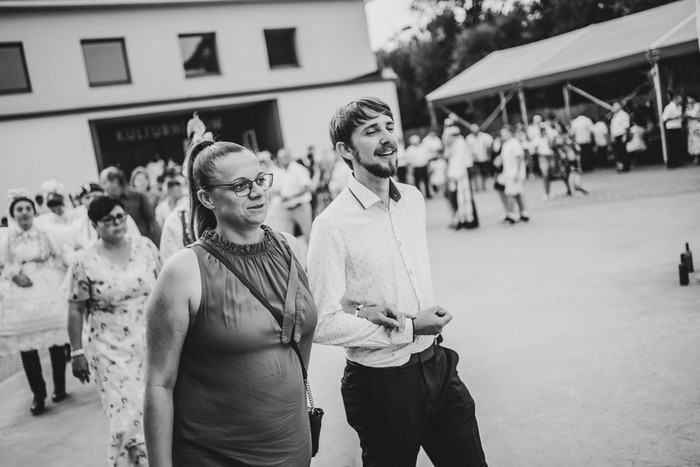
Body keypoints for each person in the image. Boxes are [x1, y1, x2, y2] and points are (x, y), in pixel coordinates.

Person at [308, 97, 487, 467]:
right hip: (382, 385)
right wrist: (410, 327)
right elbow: (322, 322)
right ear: (345, 150)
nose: (387, 137)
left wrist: (414, 328)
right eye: (371, 131)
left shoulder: (413, 200)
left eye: (389, 127)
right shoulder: (331, 225)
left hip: (438, 365)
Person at [144, 140, 317, 467]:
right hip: (216, 454)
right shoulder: (184, 271)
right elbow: (158, 384)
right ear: (206, 198)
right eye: (240, 186)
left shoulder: (291, 248)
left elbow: (298, 344)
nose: (257, 192)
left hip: (293, 446)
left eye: (260, 180)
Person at [65, 196, 161, 466]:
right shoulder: (83, 260)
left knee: (153, 406)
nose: (117, 223)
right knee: (126, 413)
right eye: (108, 220)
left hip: (151, 341)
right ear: (95, 225)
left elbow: (164, 289)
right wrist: (76, 352)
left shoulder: (145, 247)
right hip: (109, 348)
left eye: (120, 217)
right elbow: (75, 309)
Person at [0, 194, 71, 415]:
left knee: (56, 340)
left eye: (27, 208)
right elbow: (4, 264)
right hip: (22, 290)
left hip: (47, 285)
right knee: (27, 345)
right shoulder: (7, 237)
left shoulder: (46, 232)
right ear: (13, 214)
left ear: (34, 211)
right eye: (19, 209)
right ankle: (38, 393)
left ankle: (60, 386)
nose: (24, 212)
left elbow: (61, 254)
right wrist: (14, 275)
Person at [101, 166, 160, 245]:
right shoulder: (105, 203)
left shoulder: (138, 196)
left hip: (143, 244)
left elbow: (152, 222)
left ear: (115, 181)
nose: (103, 187)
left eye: (105, 182)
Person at [272, 148, 313, 244]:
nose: (283, 159)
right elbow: (278, 189)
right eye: (281, 158)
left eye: (285, 157)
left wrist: (290, 196)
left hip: (301, 207)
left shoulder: (299, 169)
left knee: (309, 237)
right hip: (287, 209)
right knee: (287, 239)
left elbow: (307, 187)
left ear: (290, 156)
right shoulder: (280, 172)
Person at [444, 126, 478, 230]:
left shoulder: (460, 144)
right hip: (455, 173)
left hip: (461, 173)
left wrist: (453, 175)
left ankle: (469, 220)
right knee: (456, 198)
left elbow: (459, 160)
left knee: (465, 197)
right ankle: (461, 219)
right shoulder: (453, 145)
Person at [499, 125, 530, 223]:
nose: (503, 135)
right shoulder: (506, 144)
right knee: (517, 193)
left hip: (514, 172)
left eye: (505, 133)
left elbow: (519, 157)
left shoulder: (514, 143)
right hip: (508, 172)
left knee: (510, 193)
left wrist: (517, 172)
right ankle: (523, 212)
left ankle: (511, 213)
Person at [662, 93, 684, 168]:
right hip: (671, 127)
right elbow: (664, 118)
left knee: (678, 145)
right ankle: (671, 162)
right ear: (675, 99)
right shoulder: (669, 107)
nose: (681, 100)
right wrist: (675, 117)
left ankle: (677, 161)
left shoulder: (680, 107)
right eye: (679, 98)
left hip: (678, 126)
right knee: (672, 145)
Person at [610, 102, 631, 172]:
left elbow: (626, 126)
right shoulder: (615, 115)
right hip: (615, 136)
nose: (614, 107)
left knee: (622, 152)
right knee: (617, 152)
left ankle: (625, 167)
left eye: (615, 106)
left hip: (621, 135)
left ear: (620, 106)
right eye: (613, 106)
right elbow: (613, 127)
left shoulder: (624, 115)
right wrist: (612, 136)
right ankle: (620, 166)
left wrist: (625, 136)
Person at [686, 95, 700, 165]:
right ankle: (695, 157)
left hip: (697, 125)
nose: (688, 100)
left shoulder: (698, 105)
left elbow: (695, 115)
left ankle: (697, 158)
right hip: (691, 125)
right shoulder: (688, 106)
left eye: (689, 98)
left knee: (697, 140)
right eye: (687, 99)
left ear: (693, 98)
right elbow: (686, 114)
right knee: (692, 141)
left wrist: (692, 116)